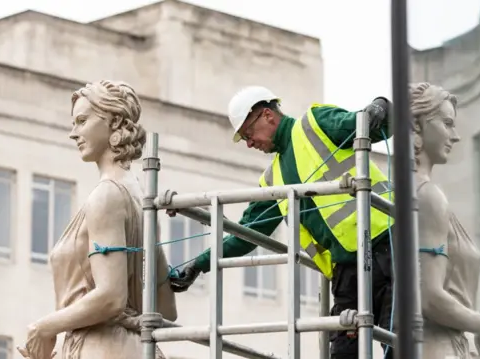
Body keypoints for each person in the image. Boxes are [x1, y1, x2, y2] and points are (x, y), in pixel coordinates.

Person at [169, 86, 396, 359]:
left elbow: (366, 123)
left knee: (396, 343)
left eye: (248, 134)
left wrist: (381, 105)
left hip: (387, 248)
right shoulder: (273, 178)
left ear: (267, 116)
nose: (250, 143)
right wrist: (199, 264)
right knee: (344, 352)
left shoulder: (316, 124)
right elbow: (245, 234)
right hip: (347, 270)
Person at [17, 80, 177, 359]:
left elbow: (111, 298)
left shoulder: (107, 196)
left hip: (99, 349)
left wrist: (44, 327)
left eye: (81, 121)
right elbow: (166, 308)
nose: (73, 133)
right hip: (138, 349)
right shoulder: (141, 195)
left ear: (114, 122)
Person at [409, 82, 480, 359]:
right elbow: (431, 297)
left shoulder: (410, 191)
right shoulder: (428, 196)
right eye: (447, 123)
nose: (455, 135)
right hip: (438, 349)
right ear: (417, 126)